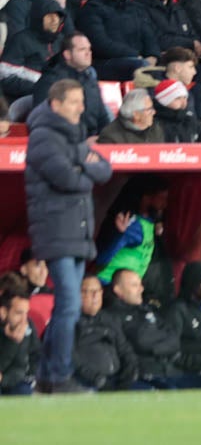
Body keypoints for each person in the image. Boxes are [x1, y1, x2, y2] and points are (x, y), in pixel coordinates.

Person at [24, 79, 113, 394]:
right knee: (70, 306)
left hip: (76, 232)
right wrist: (84, 169)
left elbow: (105, 169)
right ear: (56, 103)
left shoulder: (73, 137)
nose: (81, 107)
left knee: (68, 305)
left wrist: (83, 169)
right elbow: (65, 178)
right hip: (56, 231)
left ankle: (48, 376)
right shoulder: (44, 137)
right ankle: (59, 376)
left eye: (81, 101)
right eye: (74, 101)